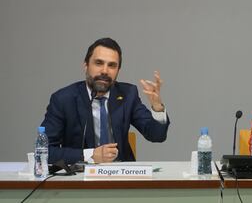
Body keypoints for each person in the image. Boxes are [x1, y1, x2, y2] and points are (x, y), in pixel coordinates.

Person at [40, 38, 170, 164]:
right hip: (81, 177)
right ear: (86, 66)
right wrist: (90, 155)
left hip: (121, 177)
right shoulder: (63, 99)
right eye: (98, 63)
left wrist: (157, 107)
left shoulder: (127, 94)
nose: (105, 71)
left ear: (118, 70)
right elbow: (44, 152)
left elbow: (156, 136)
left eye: (112, 65)